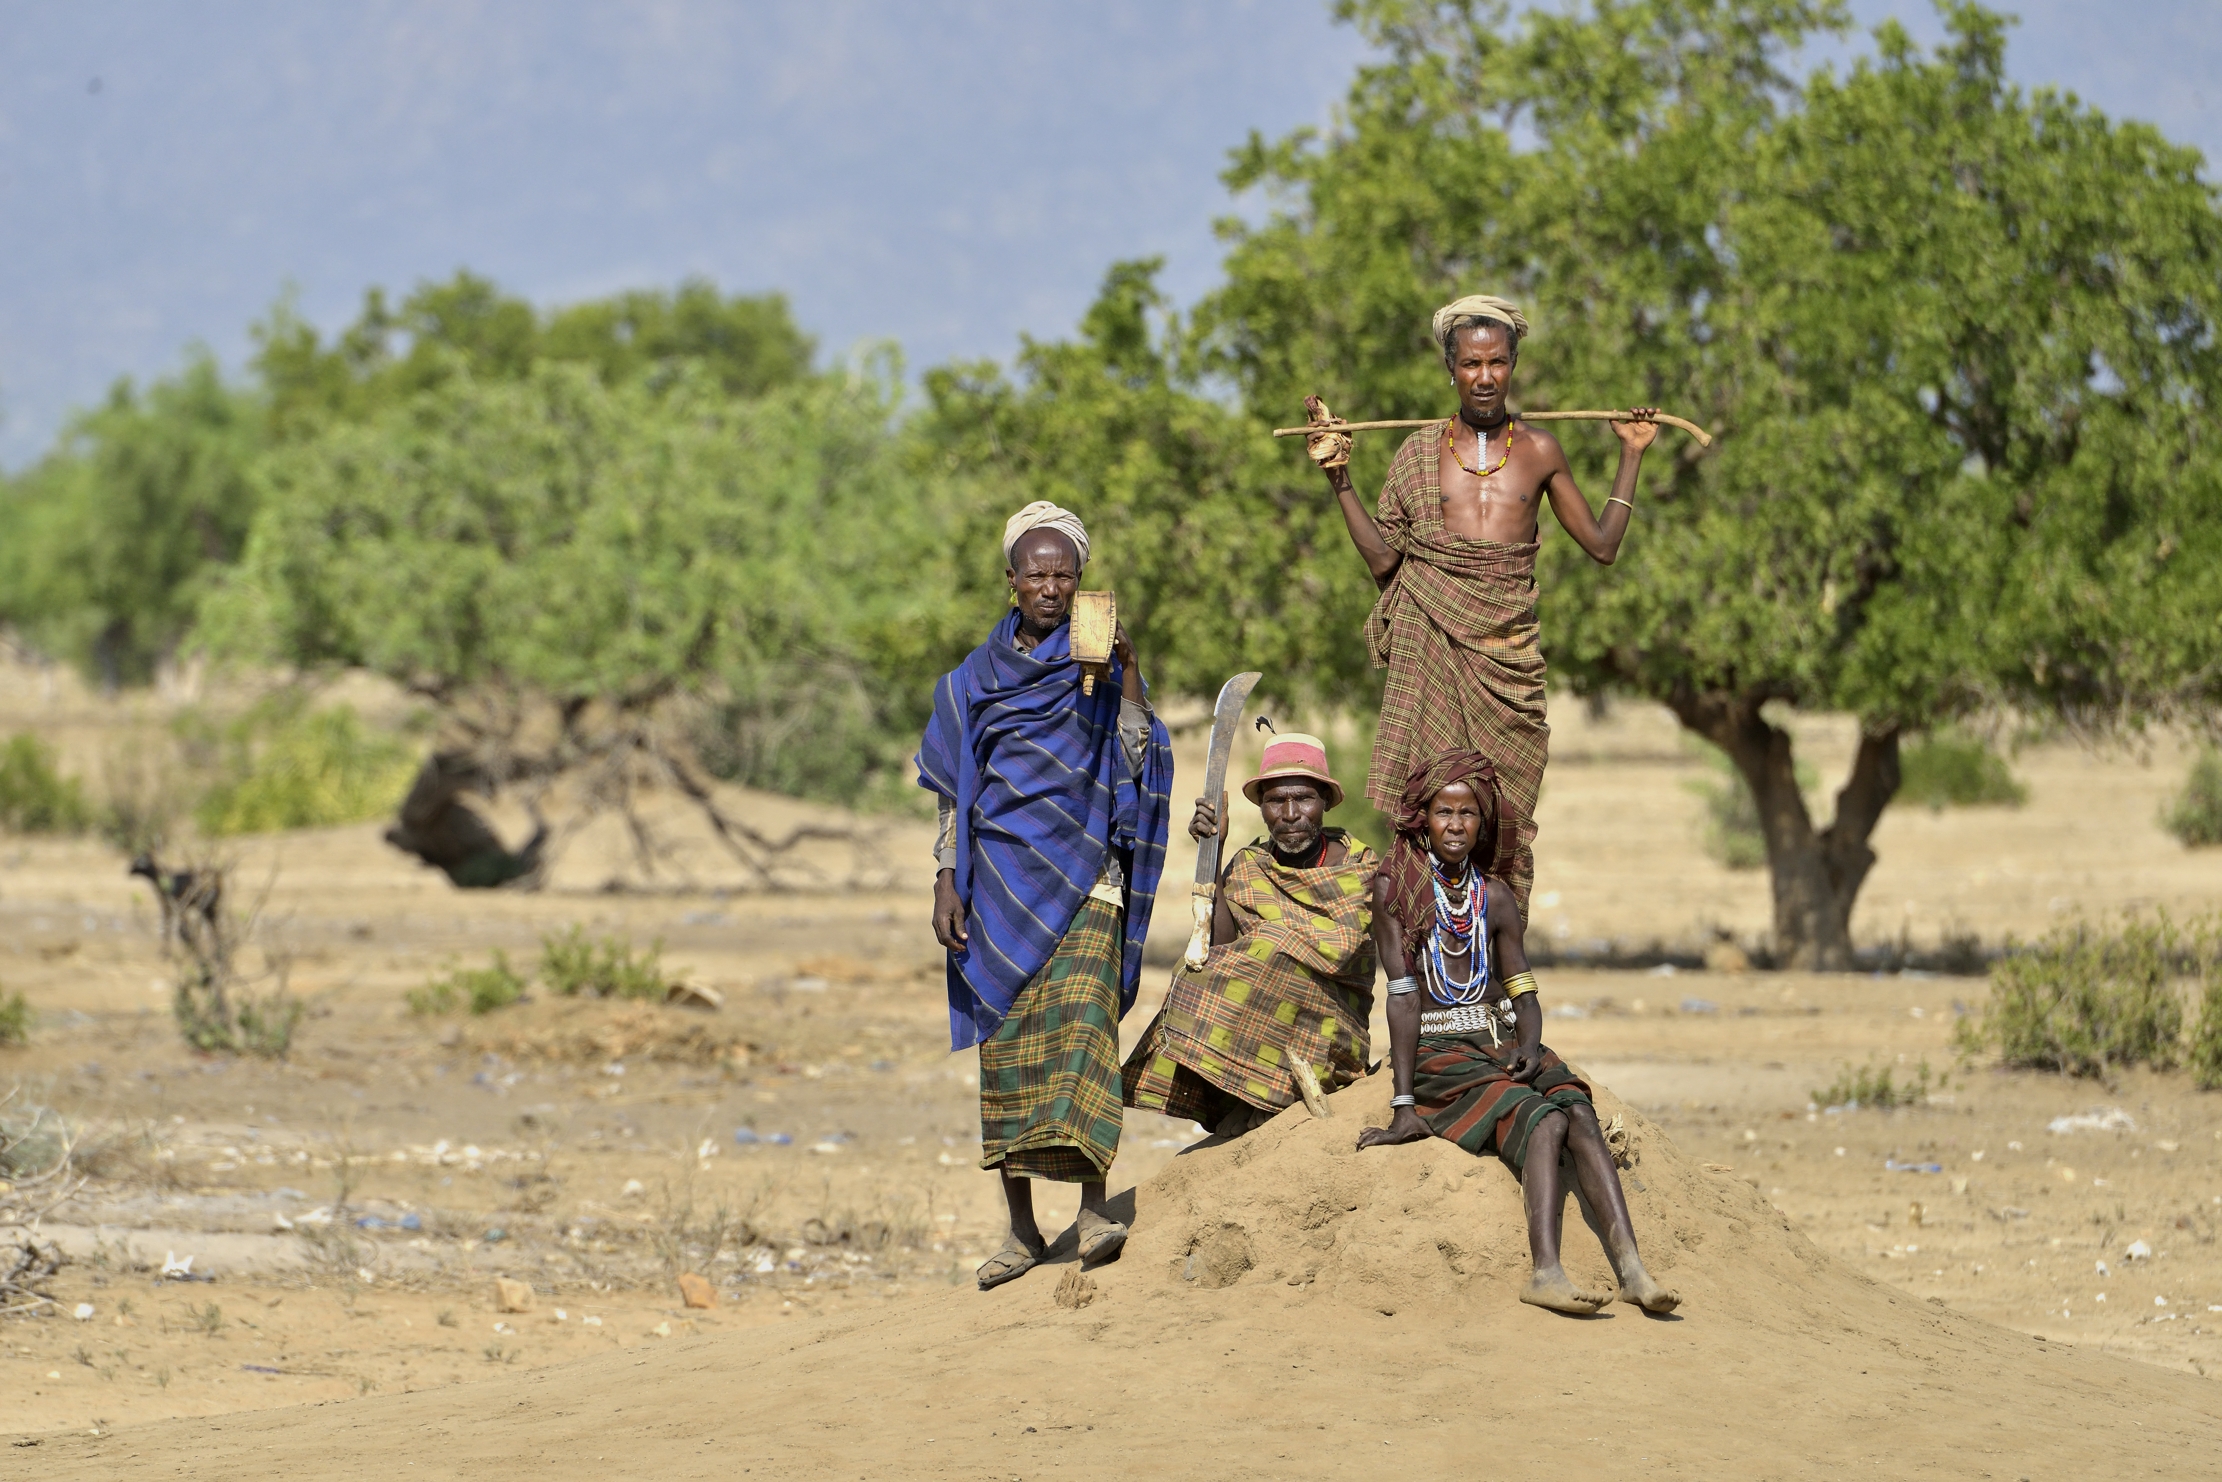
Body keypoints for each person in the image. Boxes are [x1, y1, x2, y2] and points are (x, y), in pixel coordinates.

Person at [1303, 293, 1660, 915]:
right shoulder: (1418, 453)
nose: (1485, 377)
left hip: (1508, 661)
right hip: (1432, 642)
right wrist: (1340, 479)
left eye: (1497, 362)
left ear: (1514, 365)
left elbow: (1603, 546)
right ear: (1452, 369)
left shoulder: (1541, 451)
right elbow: (1387, 564)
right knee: (1431, 805)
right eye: (1471, 364)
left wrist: (1630, 453)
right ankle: (1424, 942)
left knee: (1504, 815)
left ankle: (1497, 948)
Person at [916, 500, 1173, 1291]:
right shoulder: (969, 684)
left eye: (1065, 574)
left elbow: (1138, 755)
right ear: (1011, 582)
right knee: (1010, 1055)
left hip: (1089, 872)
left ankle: (1094, 1210)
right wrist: (944, 879)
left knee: (1086, 1035)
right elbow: (954, 792)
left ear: (1082, 580)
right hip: (998, 886)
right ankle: (1022, 1228)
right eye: (1037, 574)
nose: (1052, 587)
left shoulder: (1096, 664)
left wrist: (1127, 672)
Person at [1357, 750, 1679, 1316]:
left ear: (1484, 824)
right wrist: (1404, 1104)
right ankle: (1546, 1272)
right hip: (1435, 1048)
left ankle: (1632, 1268)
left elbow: (1522, 991)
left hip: (1498, 1038)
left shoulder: (1495, 895)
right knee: (1544, 1118)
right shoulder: (1396, 888)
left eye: (1468, 814)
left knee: (1577, 1108)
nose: (1455, 826)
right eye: (1443, 812)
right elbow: (1402, 996)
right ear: (1422, 818)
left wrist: (1530, 1046)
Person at [1123, 733, 1379, 1138]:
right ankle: (1247, 1095)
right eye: (1276, 801)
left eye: (1304, 799)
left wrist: (1277, 944)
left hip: (1333, 1031)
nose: (1291, 813)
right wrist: (1214, 851)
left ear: (1325, 803)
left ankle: (1276, 1097)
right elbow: (1219, 950)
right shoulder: (1249, 867)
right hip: (1262, 1036)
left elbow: (1343, 952)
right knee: (1193, 974)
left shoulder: (1360, 869)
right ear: (1261, 808)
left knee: (1271, 955)